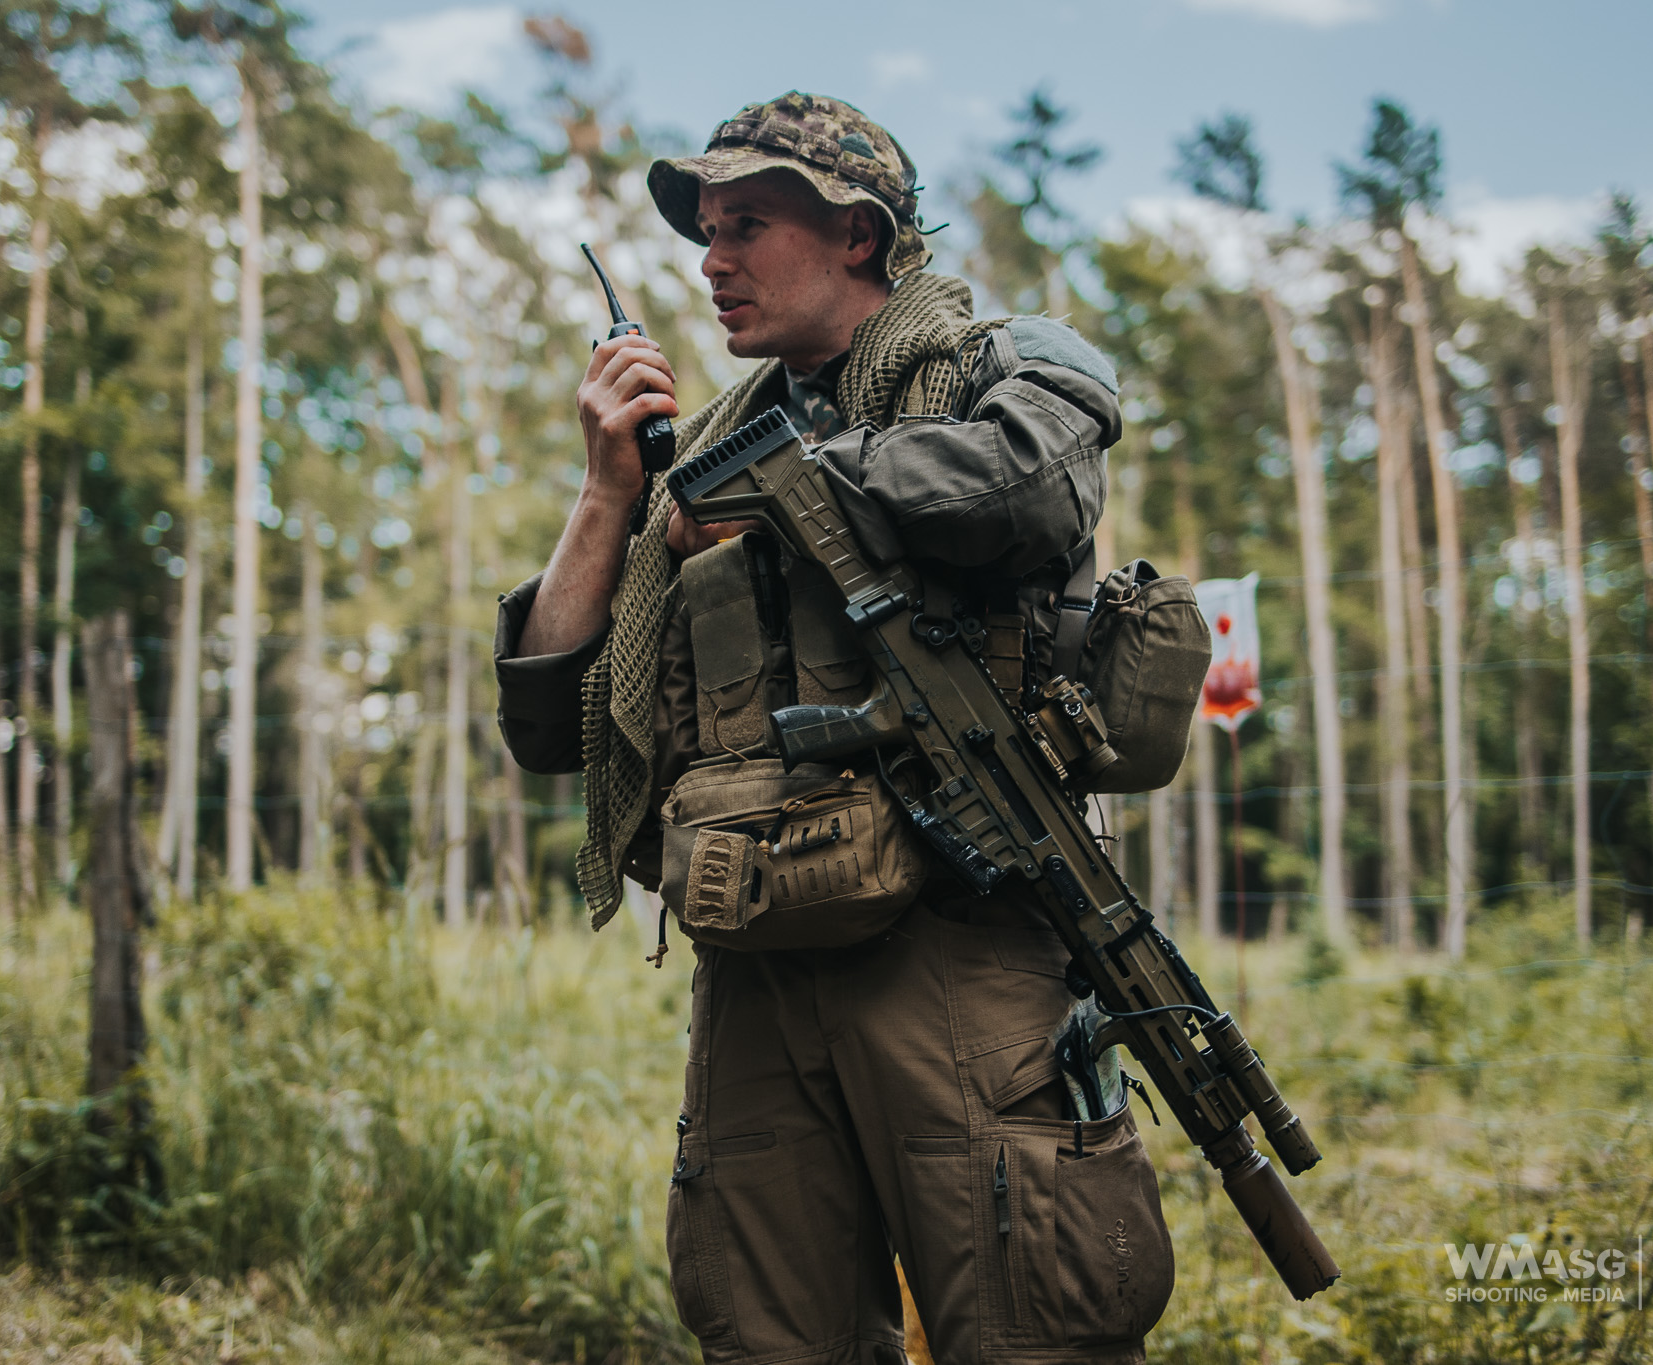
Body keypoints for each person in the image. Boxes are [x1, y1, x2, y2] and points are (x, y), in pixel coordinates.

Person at [496, 92, 1175, 1365]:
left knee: (1038, 1335)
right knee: (768, 1342)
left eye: (745, 222)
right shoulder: (695, 452)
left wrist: (779, 487)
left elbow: (1020, 491)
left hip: (960, 952)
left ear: (856, 233)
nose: (711, 261)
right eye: (704, 232)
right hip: (754, 960)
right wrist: (609, 496)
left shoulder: (1001, 368)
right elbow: (551, 722)